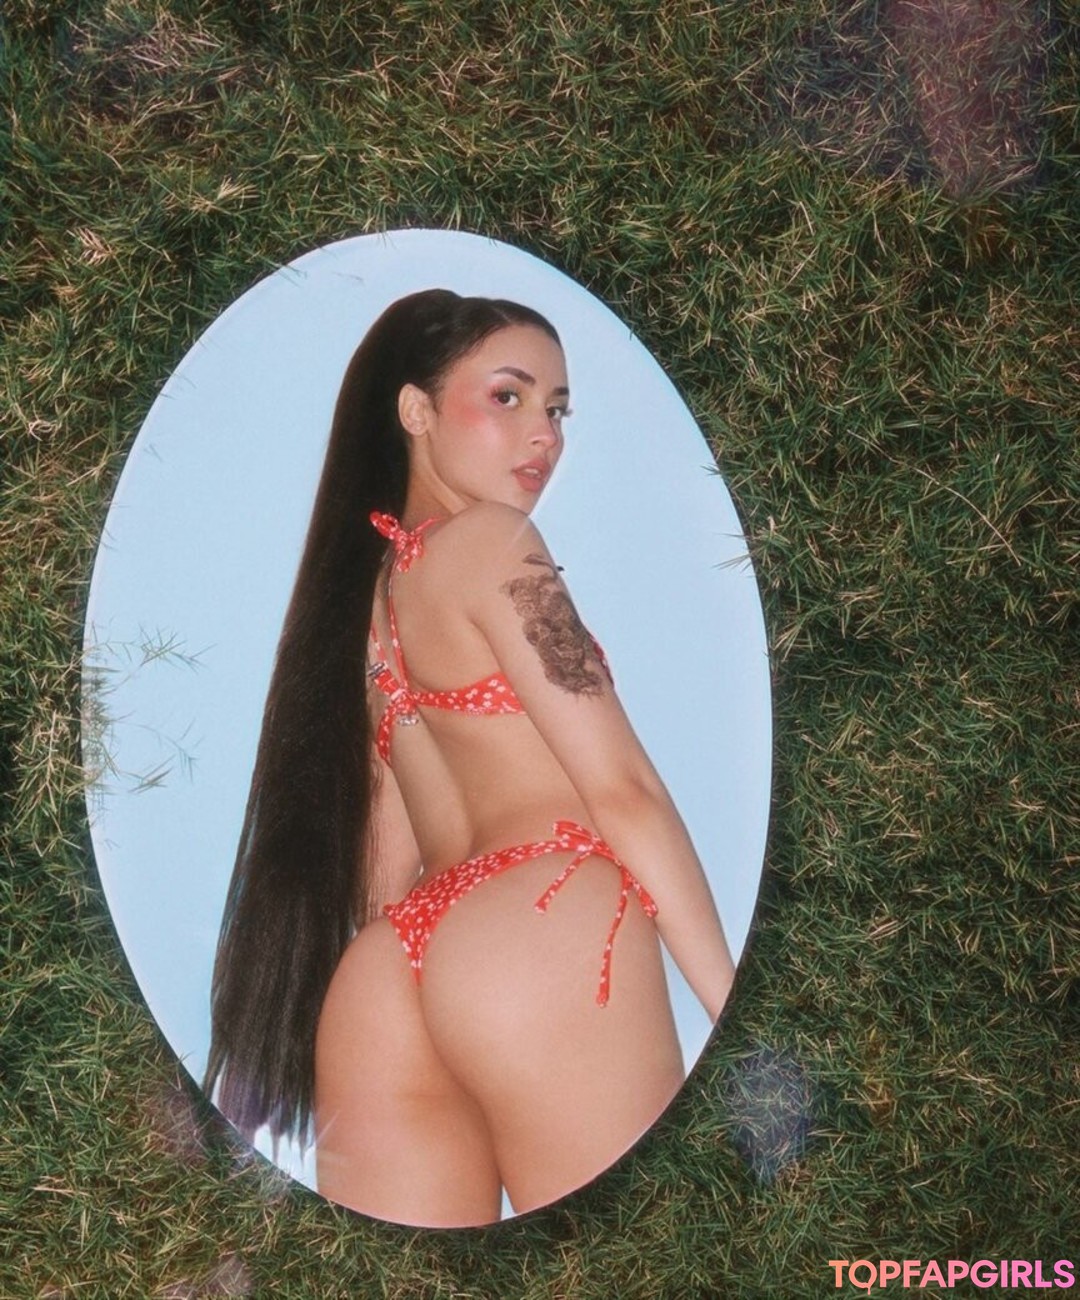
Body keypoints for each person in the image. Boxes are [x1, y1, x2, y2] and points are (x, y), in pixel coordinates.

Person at [205, 289, 735, 1227]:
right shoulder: (494, 543)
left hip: (387, 971)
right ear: (415, 412)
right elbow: (623, 790)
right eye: (508, 396)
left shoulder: (366, 611)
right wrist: (738, 1009)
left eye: (558, 409)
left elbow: (382, 868)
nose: (544, 435)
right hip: (541, 917)